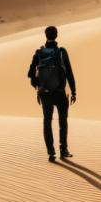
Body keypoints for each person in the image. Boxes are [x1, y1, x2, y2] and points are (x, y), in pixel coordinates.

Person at [27, 25, 77, 162]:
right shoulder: (61, 52)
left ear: (46, 36)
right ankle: (63, 149)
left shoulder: (39, 53)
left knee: (47, 121)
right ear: (56, 35)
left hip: (45, 93)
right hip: (60, 92)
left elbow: (30, 74)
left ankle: (51, 152)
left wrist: (38, 86)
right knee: (63, 121)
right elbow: (69, 73)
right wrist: (73, 91)